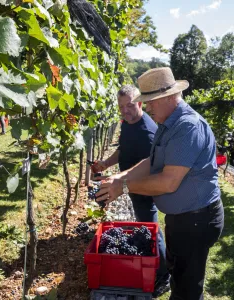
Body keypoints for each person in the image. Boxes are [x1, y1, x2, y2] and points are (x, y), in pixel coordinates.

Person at [96, 67, 224, 300]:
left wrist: (124, 187)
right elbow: (151, 161)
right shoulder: (168, 124)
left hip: (197, 220)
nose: (147, 107)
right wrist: (120, 177)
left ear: (167, 97)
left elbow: (168, 182)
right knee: (179, 274)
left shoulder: (187, 127)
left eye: (150, 102)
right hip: (182, 218)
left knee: (187, 287)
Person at [90, 85, 170, 297]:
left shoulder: (148, 133)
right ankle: (160, 266)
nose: (125, 110)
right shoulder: (128, 123)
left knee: (150, 227)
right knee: (146, 224)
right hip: (131, 185)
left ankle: (164, 275)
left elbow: (151, 170)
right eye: (121, 107)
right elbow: (123, 149)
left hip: (143, 188)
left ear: (140, 103)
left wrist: (120, 183)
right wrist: (105, 165)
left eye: (130, 105)